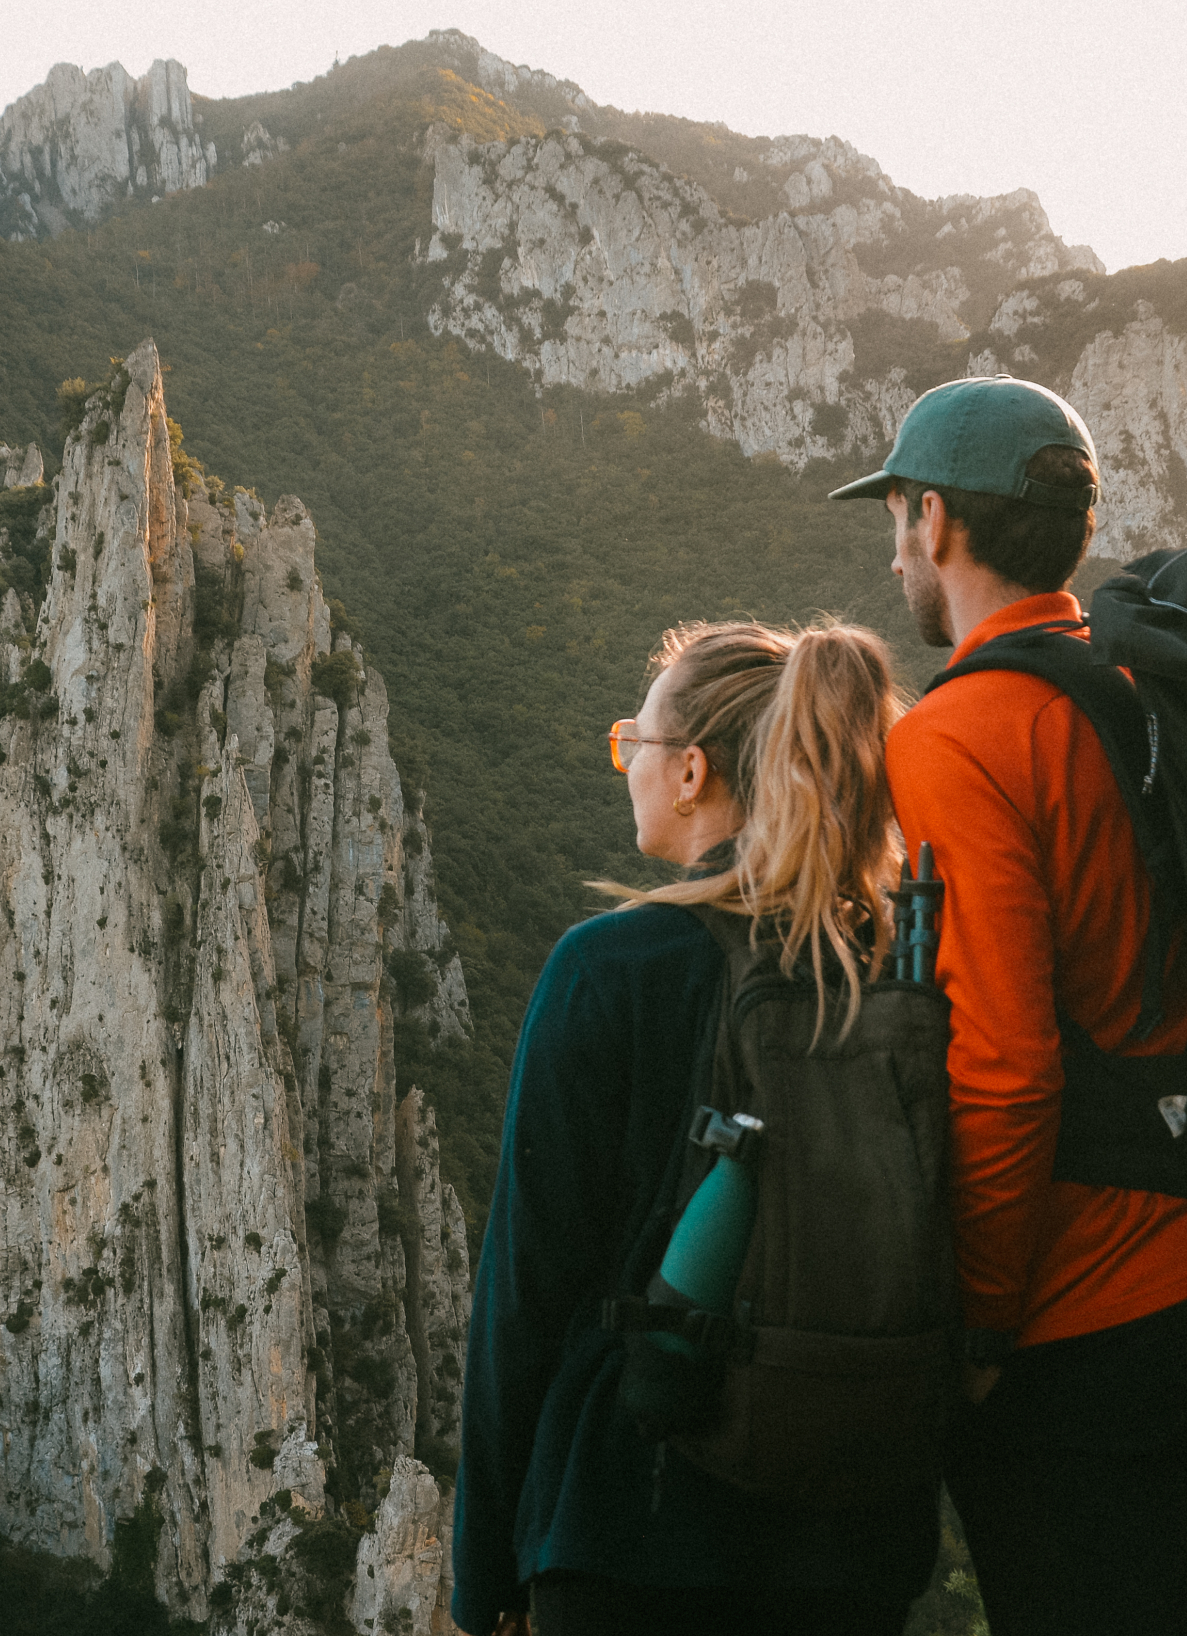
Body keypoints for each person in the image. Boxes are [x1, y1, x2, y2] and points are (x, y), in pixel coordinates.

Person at [830, 376, 1187, 1635]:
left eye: (895, 519)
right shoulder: (1158, 682)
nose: (896, 552)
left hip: (1094, 1324)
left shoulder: (957, 739)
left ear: (934, 521)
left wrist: (981, 1327)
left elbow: (1003, 1066)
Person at [450, 619, 938, 1636]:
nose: (627, 762)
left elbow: (526, 1291)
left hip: (631, 1519)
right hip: (850, 1537)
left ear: (691, 774)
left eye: (638, 742)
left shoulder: (606, 968)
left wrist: (486, 1563)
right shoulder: (897, 972)